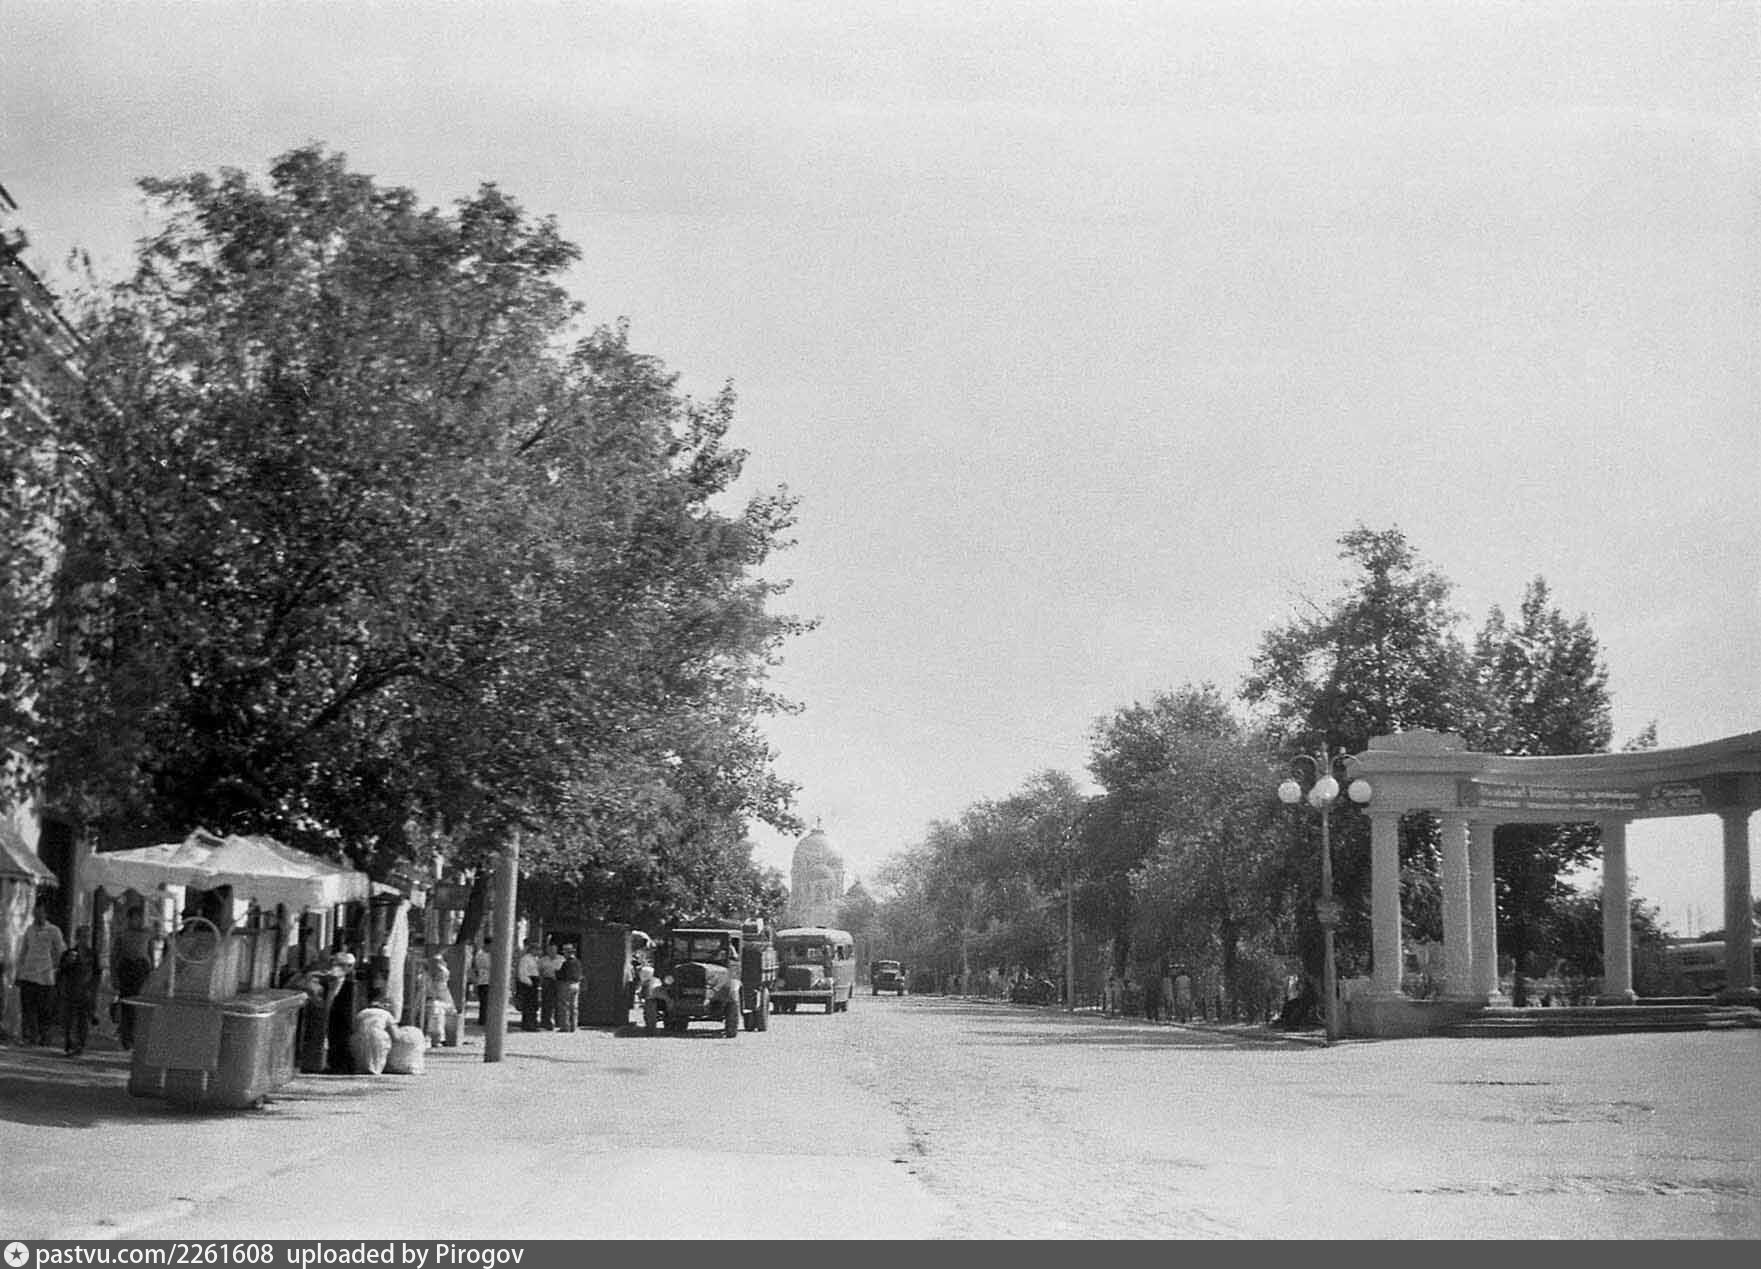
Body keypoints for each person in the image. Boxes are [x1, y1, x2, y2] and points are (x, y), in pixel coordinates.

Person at [17, 905, 66, 1047]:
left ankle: (44, 1037)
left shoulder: (53, 930)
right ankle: (30, 1037)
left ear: (46, 914)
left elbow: (60, 950)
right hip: (28, 975)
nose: (38, 916)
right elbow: (23, 951)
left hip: (46, 977)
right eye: (35, 913)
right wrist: (19, 973)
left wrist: (56, 967)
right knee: (28, 1008)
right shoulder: (29, 930)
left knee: (45, 1009)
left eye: (40, 913)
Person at [111, 907, 155, 1050]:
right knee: (126, 1004)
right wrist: (114, 976)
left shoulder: (147, 934)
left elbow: (150, 955)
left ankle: (136, 1035)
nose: (137, 921)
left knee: (140, 1005)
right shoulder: (122, 935)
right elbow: (115, 956)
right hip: (126, 969)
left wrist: (151, 975)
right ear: (129, 919)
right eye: (134, 918)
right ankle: (126, 1036)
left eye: (139, 918)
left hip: (141, 969)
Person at [57, 926, 98, 1055]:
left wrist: (93, 989)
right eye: (82, 936)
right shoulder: (68, 953)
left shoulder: (92, 954)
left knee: (83, 1018)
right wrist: (68, 962)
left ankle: (80, 1045)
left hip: (86, 990)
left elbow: (97, 973)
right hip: (71, 989)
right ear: (77, 938)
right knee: (70, 1018)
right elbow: (61, 971)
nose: (85, 939)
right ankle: (69, 1043)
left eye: (87, 937)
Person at [556, 943, 583, 1032]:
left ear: (568, 953)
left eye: (565, 953)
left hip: (567, 984)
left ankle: (565, 1026)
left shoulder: (566, 963)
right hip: (576, 985)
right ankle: (574, 1026)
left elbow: (562, 975)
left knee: (565, 1006)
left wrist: (557, 973)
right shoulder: (578, 962)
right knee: (574, 1006)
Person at [537, 939, 562, 1030]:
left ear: (556, 950)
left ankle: (558, 1022)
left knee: (558, 1002)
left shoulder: (561, 959)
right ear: (547, 950)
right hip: (547, 981)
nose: (552, 951)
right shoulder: (542, 960)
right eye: (550, 950)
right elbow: (538, 971)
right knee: (546, 1002)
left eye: (554, 950)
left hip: (558, 982)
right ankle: (545, 1022)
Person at [516, 940, 540, 1032]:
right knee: (528, 1005)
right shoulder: (525, 959)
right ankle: (528, 1025)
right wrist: (529, 982)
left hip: (534, 982)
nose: (538, 951)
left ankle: (533, 1023)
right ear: (532, 950)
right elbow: (522, 973)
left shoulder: (535, 959)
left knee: (533, 1005)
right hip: (528, 984)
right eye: (537, 949)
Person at [469, 938, 494, 1025]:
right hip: (483, 981)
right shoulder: (481, 954)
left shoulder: (488, 954)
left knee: (488, 1002)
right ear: (487, 945)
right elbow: (487, 965)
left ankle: (486, 1019)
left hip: (489, 980)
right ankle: (483, 1020)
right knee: (484, 1002)